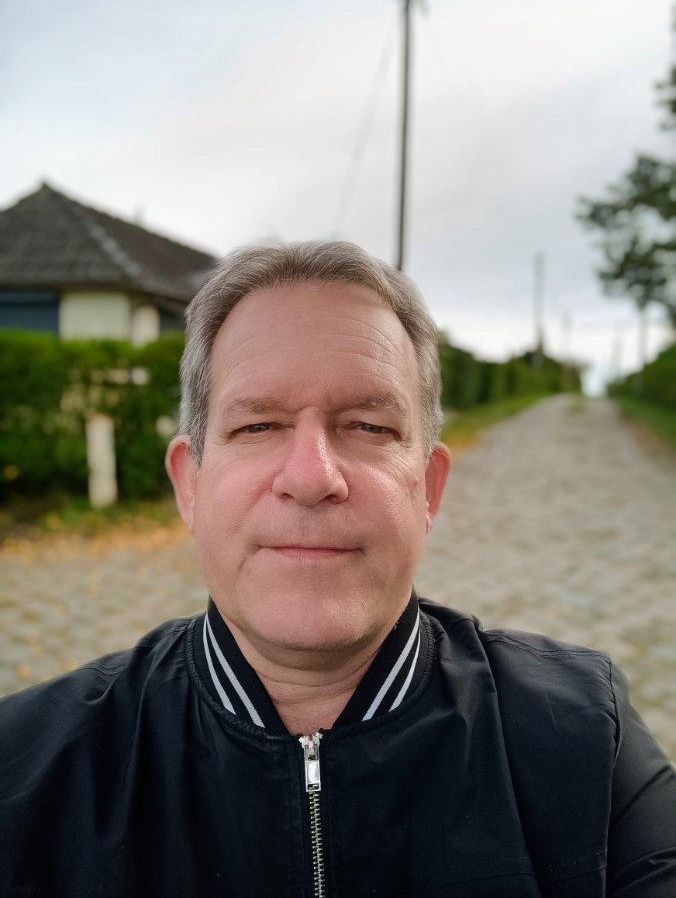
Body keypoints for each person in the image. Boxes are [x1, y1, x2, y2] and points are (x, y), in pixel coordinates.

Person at [1, 240, 675, 897]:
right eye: (258, 426)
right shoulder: (22, 765)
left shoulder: (585, 737)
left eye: (370, 427)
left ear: (428, 488)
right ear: (190, 485)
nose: (310, 477)